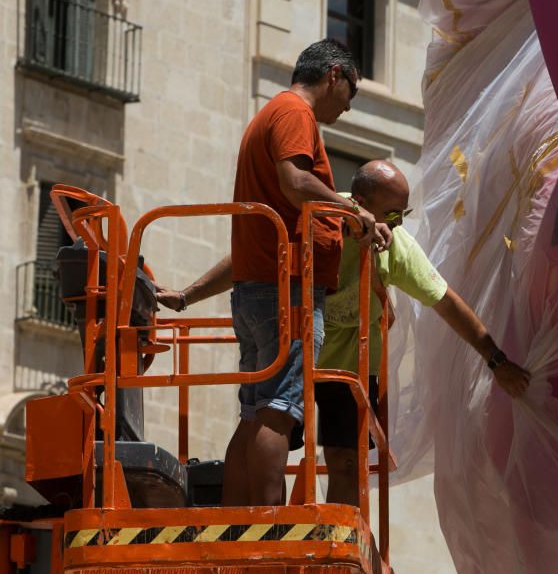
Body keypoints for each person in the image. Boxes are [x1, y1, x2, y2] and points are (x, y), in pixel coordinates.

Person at [158, 160, 531, 506]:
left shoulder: (393, 246)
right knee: (265, 428)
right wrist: (187, 296)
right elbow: (249, 260)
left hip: (350, 367)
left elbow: (446, 301)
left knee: (347, 460)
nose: (398, 224)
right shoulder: (315, 220)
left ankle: (338, 533)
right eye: (392, 214)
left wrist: (495, 359)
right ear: (361, 204)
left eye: (405, 214)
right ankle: (252, 526)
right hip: (298, 353)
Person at [200, 38, 387, 508]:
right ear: (335, 76)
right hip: (287, 291)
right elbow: (295, 181)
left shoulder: (274, 114)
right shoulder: (294, 114)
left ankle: (240, 523)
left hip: (262, 289)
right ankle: (268, 522)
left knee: (254, 413)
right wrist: (353, 215)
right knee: (280, 411)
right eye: (351, 94)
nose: (348, 108)